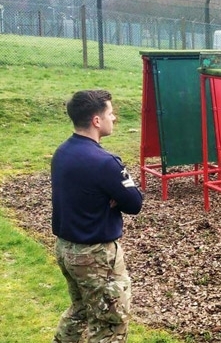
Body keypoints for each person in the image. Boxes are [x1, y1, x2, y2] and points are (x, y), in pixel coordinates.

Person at [51, 90, 144, 342]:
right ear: (96, 120)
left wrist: (109, 196)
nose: (114, 118)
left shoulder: (62, 153)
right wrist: (112, 197)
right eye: (111, 113)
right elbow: (134, 202)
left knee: (80, 310)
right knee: (109, 323)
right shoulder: (105, 162)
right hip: (96, 256)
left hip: (66, 248)